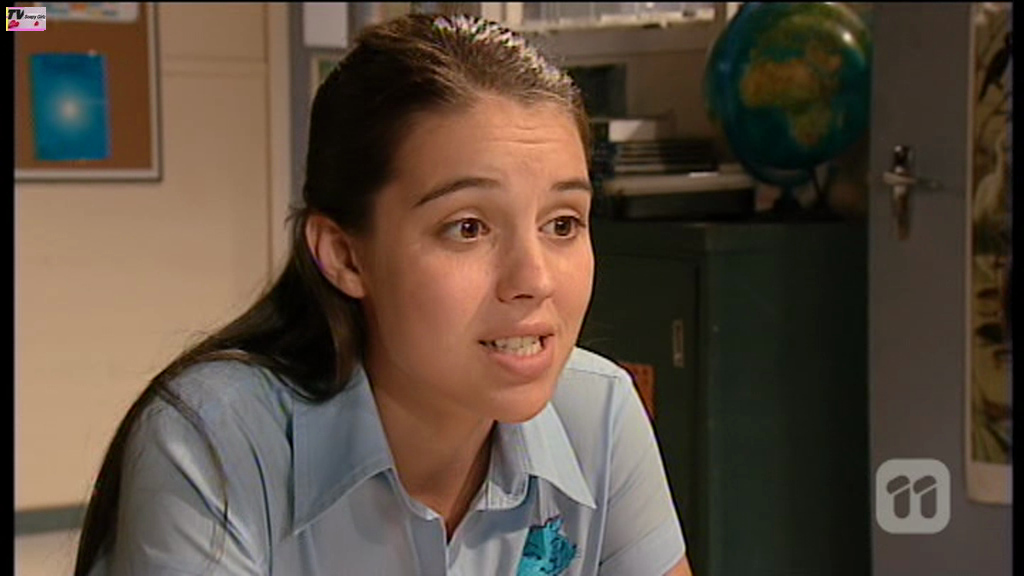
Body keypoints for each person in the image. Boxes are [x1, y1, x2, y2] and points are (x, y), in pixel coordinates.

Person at [74, 13, 692, 576]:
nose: (535, 280)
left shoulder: (599, 413)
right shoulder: (215, 436)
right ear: (345, 256)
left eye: (562, 224)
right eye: (468, 228)